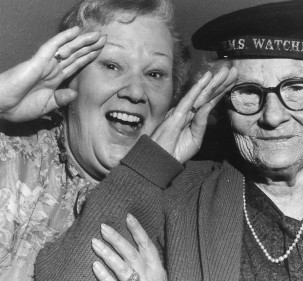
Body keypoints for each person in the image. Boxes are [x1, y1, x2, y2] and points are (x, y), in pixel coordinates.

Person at [35, 0, 303, 281]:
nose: (272, 116)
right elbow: (64, 274)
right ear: (222, 102)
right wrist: (149, 164)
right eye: (247, 93)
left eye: (296, 89)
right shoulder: (175, 199)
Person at [0, 0, 236, 280]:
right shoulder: (12, 158)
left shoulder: (189, 203)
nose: (136, 92)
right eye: (112, 65)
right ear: (67, 79)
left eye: (155, 74)